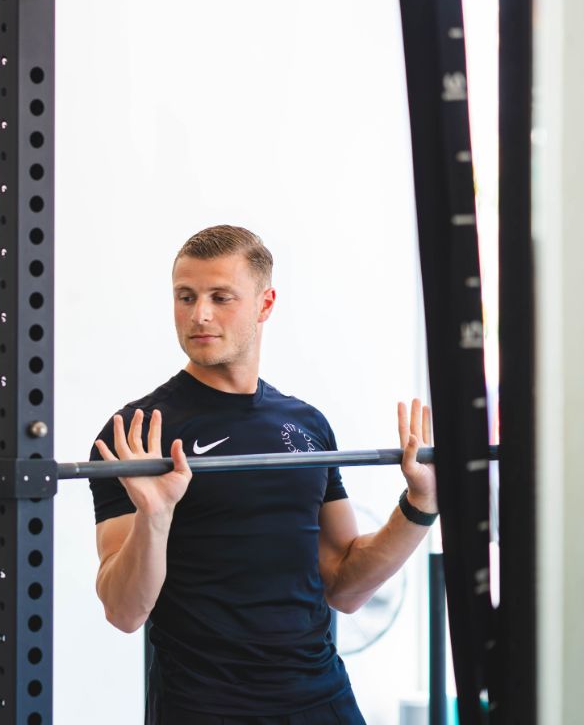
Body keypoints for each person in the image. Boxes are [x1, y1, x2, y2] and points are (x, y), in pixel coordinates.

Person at [89, 225, 438, 724]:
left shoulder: (307, 425)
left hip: (321, 698)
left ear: (265, 304)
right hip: (205, 708)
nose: (199, 314)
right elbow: (124, 612)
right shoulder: (137, 434)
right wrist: (155, 516)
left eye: (220, 297)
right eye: (185, 297)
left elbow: (346, 586)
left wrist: (420, 504)